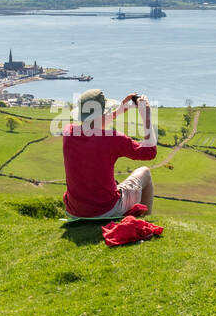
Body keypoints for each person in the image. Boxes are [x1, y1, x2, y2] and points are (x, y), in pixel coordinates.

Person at [61, 88, 157, 220]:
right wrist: (146, 117)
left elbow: (93, 124)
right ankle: (145, 220)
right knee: (145, 172)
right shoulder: (113, 138)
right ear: (104, 112)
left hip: (74, 211)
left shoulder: (68, 132)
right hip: (106, 209)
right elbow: (150, 152)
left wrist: (118, 111)